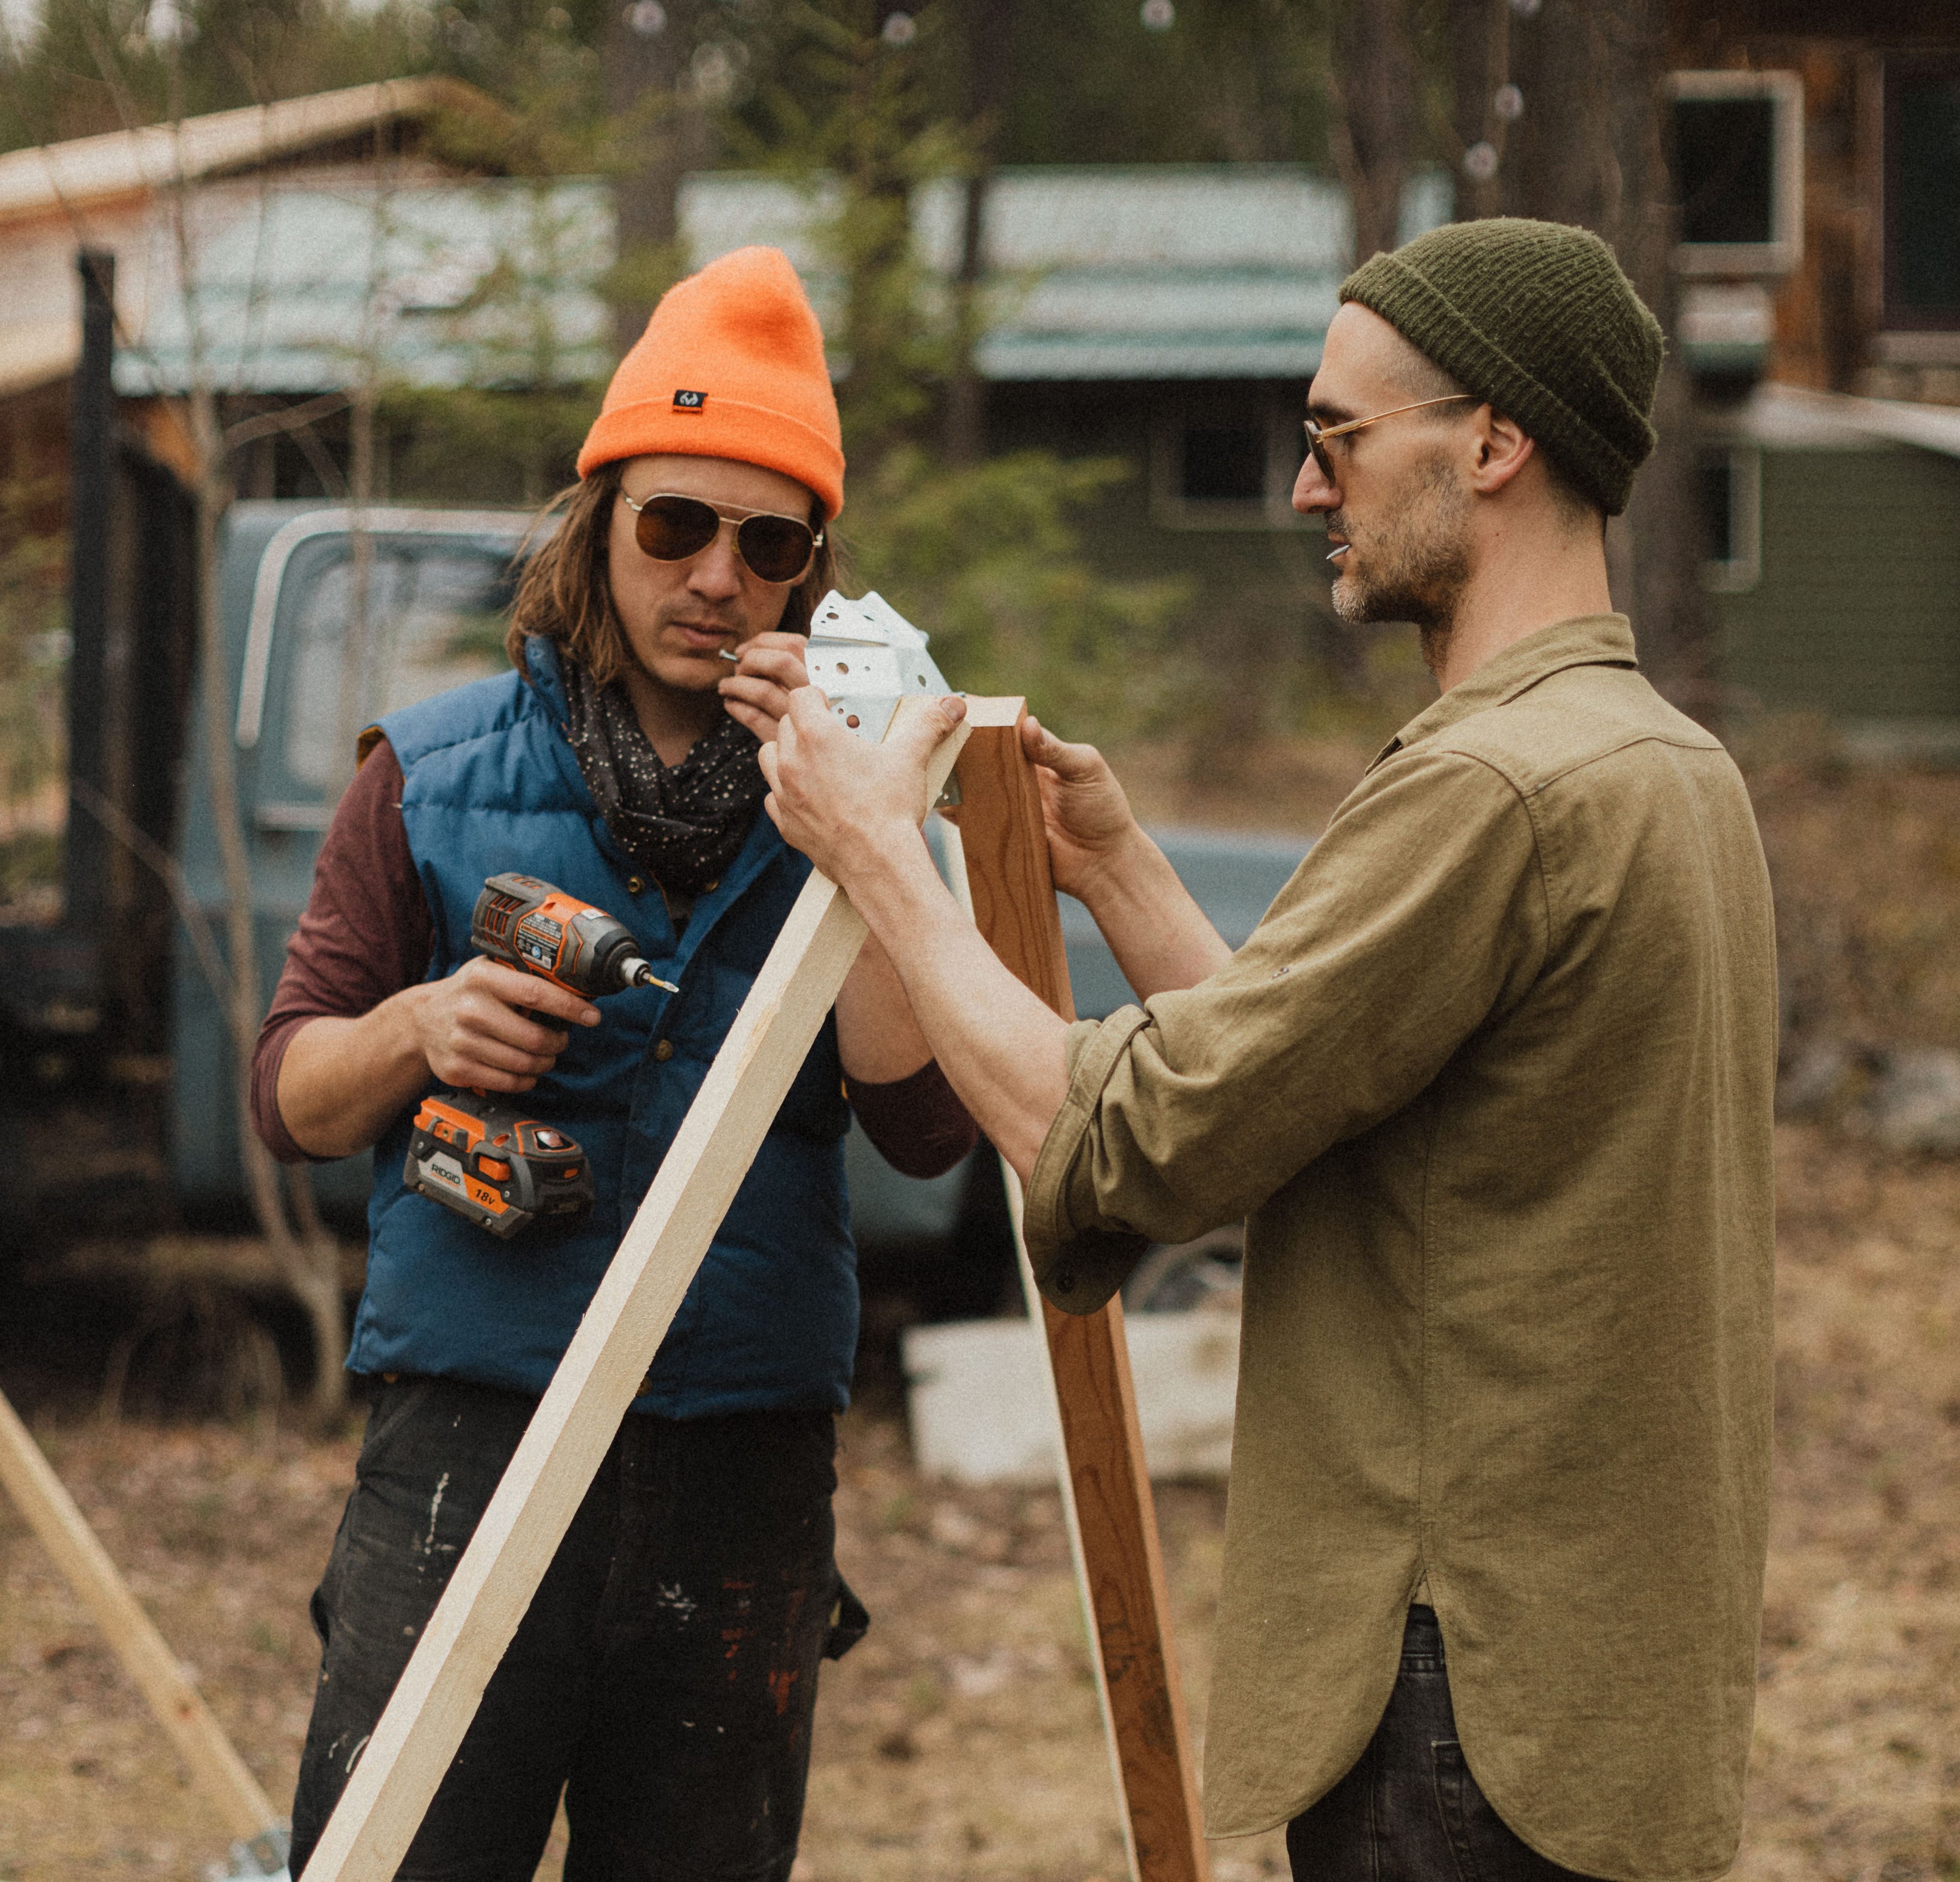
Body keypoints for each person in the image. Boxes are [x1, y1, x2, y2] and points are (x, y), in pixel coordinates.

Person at [759, 218, 1777, 1882]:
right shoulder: (1665, 770)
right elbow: (1319, 1106)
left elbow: (1133, 1143)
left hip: (1462, 1693)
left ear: (1496, 442)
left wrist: (881, 857)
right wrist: (1118, 870)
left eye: (1340, 437)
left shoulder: (1492, 790)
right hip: (1596, 1689)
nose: (1310, 489)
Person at [252, 245, 976, 1882]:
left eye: (765, 541)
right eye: (674, 525)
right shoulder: (429, 780)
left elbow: (925, 1127)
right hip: (468, 1443)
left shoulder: (850, 793)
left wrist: (868, 836)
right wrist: (420, 1027)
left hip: (740, 1465)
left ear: (811, 574)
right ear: (600, 525)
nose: (714, 577)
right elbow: (288, 1094)